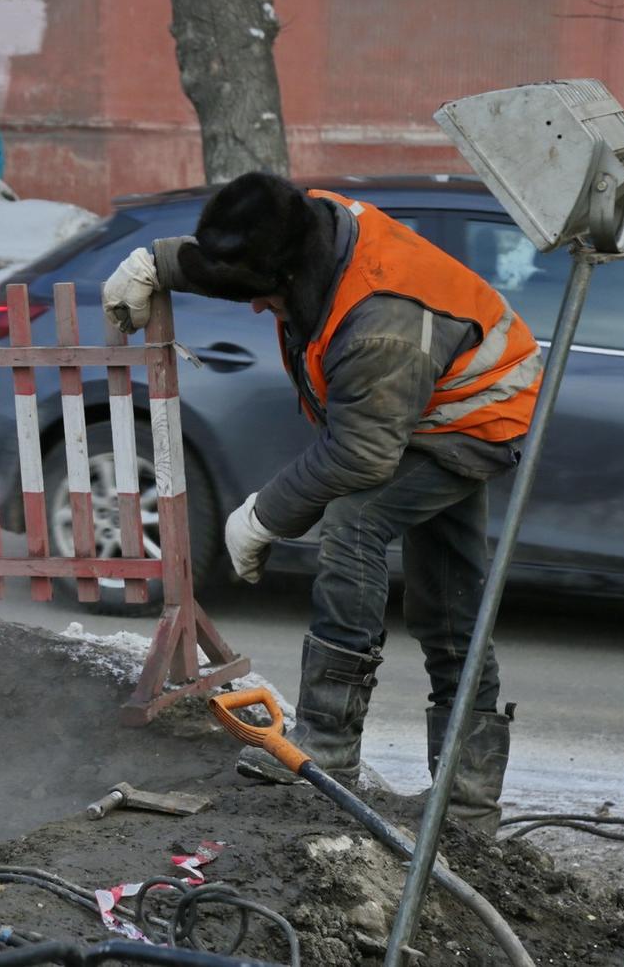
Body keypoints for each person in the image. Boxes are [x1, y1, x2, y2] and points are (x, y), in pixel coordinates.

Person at [101, 172, 543, 833]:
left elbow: (362, 455)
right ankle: (468, 809)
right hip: (433, 396)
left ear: (288, 275)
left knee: (353, 523)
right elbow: (250, 270)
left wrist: (263, 516)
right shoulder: (313, 226)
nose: (255, 310)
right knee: (450, 601)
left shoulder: (377, 325)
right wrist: (157, 263)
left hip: (471, 418)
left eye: (263, 299)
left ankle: (328, 749)